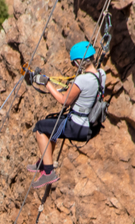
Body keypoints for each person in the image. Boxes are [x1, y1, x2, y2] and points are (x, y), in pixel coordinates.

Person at [27, 41, 106, 188]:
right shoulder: (101, 75)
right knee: (51, 122)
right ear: (93, 56)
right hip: (91, 125)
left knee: (40, 128)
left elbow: (64, 101)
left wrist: (46, 83)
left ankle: (48, 172)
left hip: (77, 126)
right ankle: (45, 161)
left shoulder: (81, 79)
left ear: (78, 62)